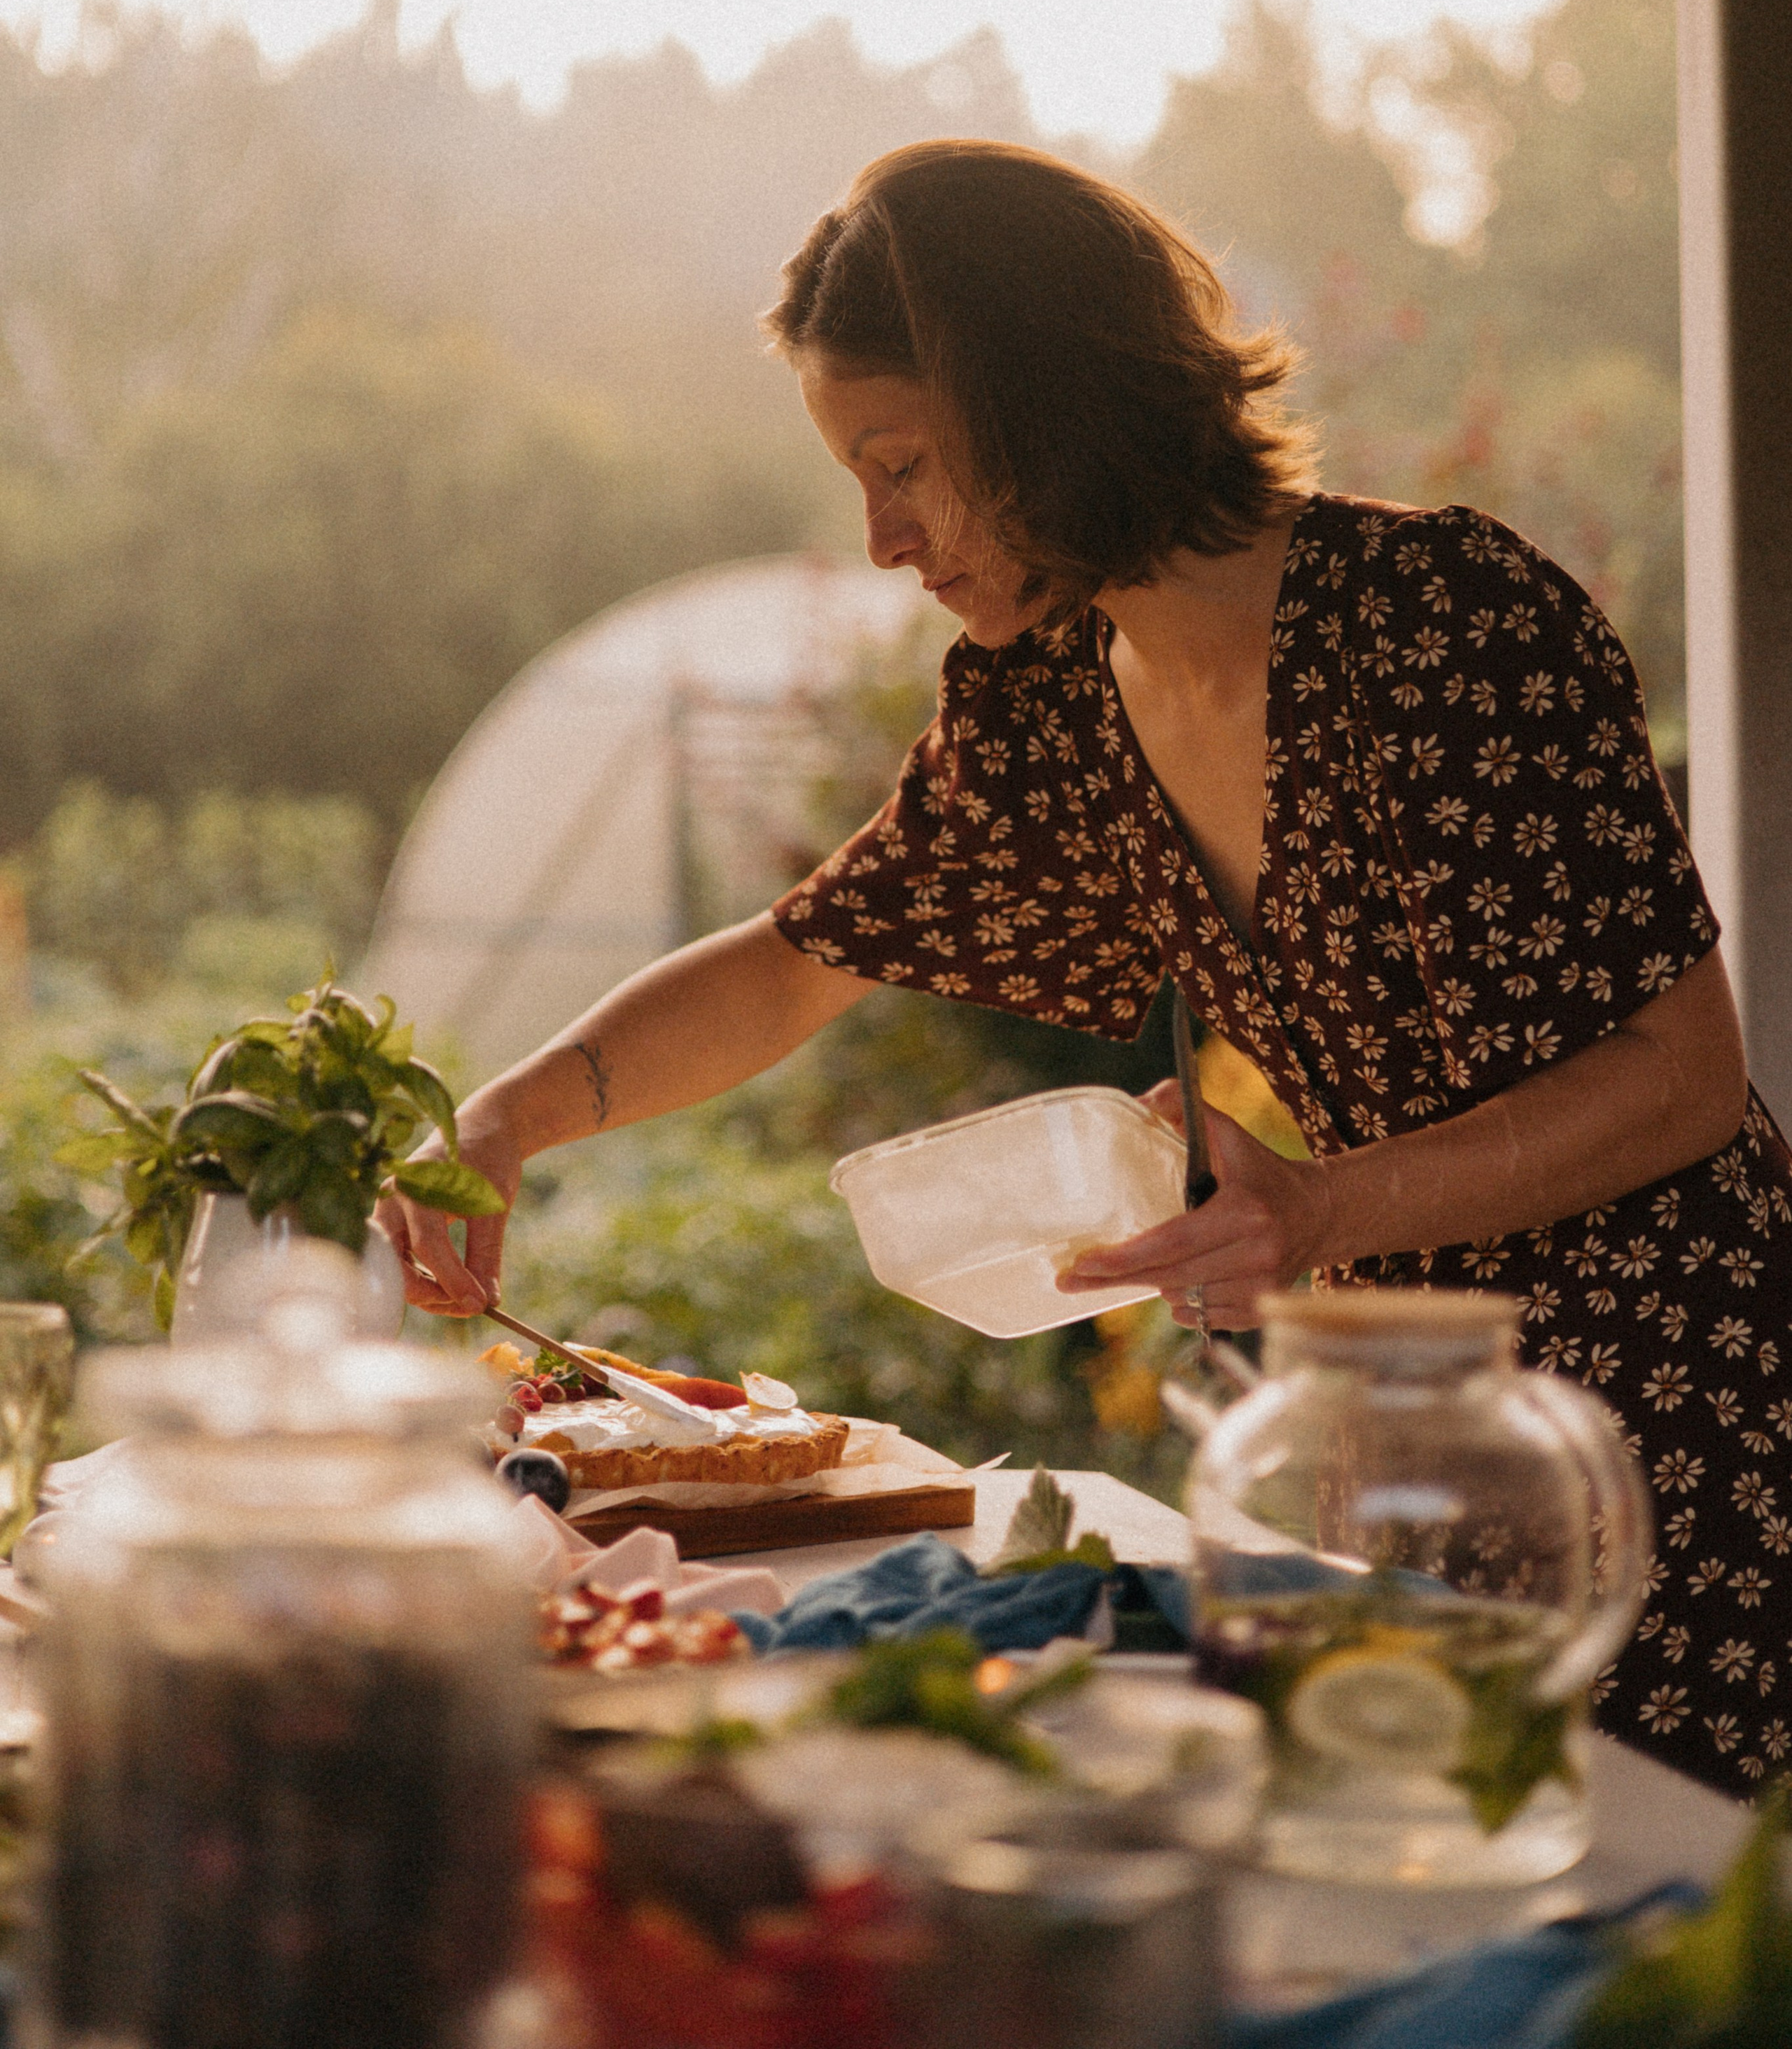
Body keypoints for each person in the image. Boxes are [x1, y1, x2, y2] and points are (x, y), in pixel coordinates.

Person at [381, 139, 1791, 1796]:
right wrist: (502, 1122)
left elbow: (1682, 1078)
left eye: (901, 464)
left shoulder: (1447, 620)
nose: (882, 536)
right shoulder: (1048, 694)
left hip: (1685, 1426)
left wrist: (1325, 1210)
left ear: (1039, 405)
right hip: (1392, 1430)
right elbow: (797, 958)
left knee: (1672, 1949)